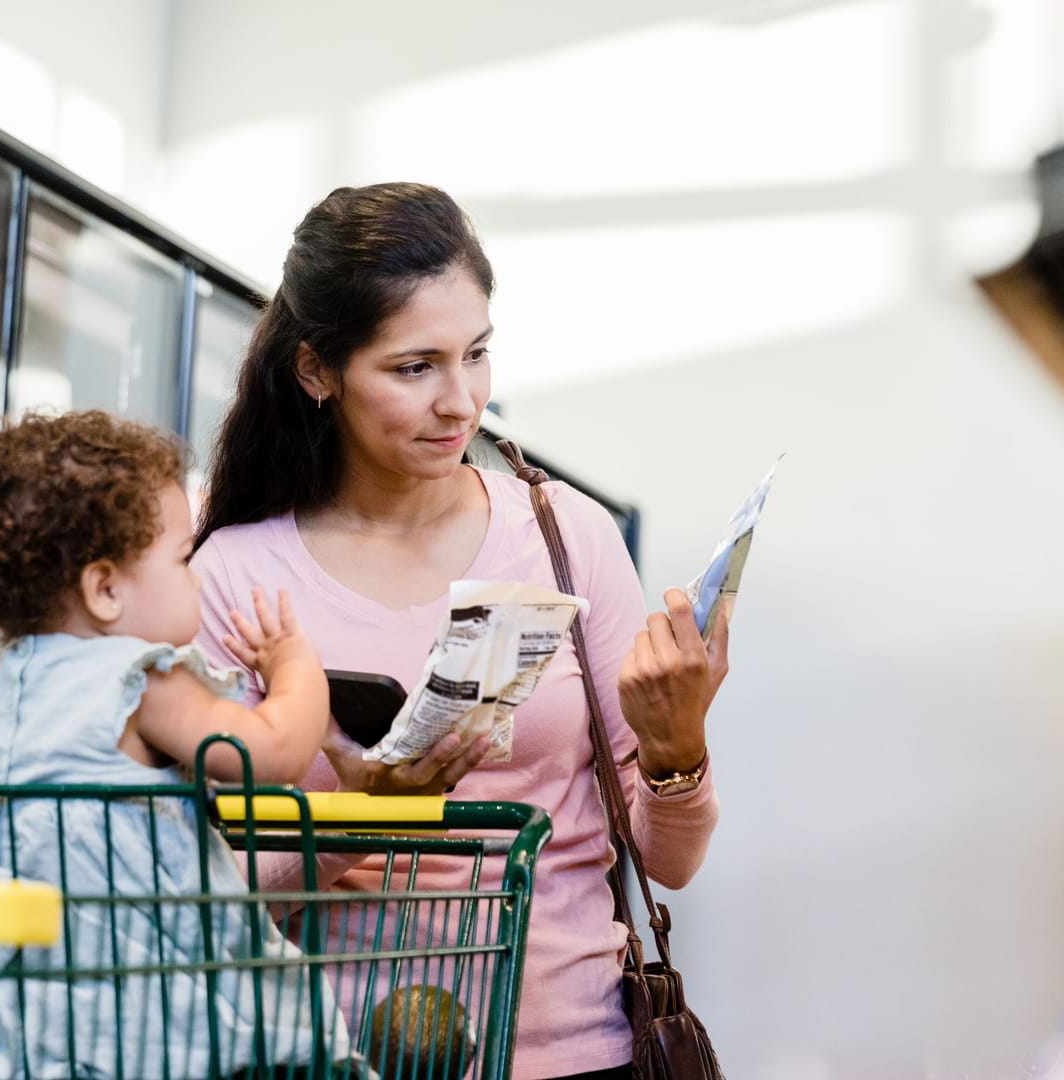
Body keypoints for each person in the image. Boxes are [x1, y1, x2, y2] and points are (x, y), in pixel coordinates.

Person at [192, 182, 730, 1080]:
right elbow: (192, 886)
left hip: (576, 1058)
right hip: (329, 1057)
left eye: (476, 354)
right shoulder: (235, 574)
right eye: (415, 367)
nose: (461, 401)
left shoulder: (567, 537)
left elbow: (666, 864)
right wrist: (366, 824)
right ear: (317, 371)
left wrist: (678, 748)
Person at [0, 409, 350, 1077]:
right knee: (288, 1019)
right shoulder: (140, 681)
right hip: (149, 999)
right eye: (183, 560)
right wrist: (296, 669)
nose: (198, 578)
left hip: (22, 1009)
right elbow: (275, 752)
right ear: (105, 589)